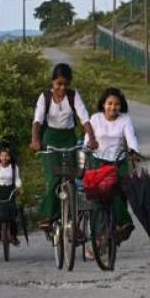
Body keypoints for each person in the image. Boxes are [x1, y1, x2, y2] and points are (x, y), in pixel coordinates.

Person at [30, 63, 98, 230]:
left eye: (65, 84)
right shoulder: (45, 97)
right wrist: (35, 140)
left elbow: (84, 118)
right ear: (53, 82)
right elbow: (38, 120)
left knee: (71, 178)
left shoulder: (73, 96)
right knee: (54, 178)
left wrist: (91, 138)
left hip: (69, 139)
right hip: (50, 139)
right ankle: (48, 216)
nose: (62, 88)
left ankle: (72, 222)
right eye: (58, 84)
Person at [84, 87, 137, 245]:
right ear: (103, 104)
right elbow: (88, 138)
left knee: (119, 190)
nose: (113, 107)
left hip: (117, 161)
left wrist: (133, 151)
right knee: (99, 198)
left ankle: (122, 225)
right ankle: (100, 237)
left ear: (121, 106)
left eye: (117, 104)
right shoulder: (95, 119)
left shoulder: (125, 120)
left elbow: (131, 137)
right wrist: (89, 144)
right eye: (109, 103)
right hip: (98, 160)